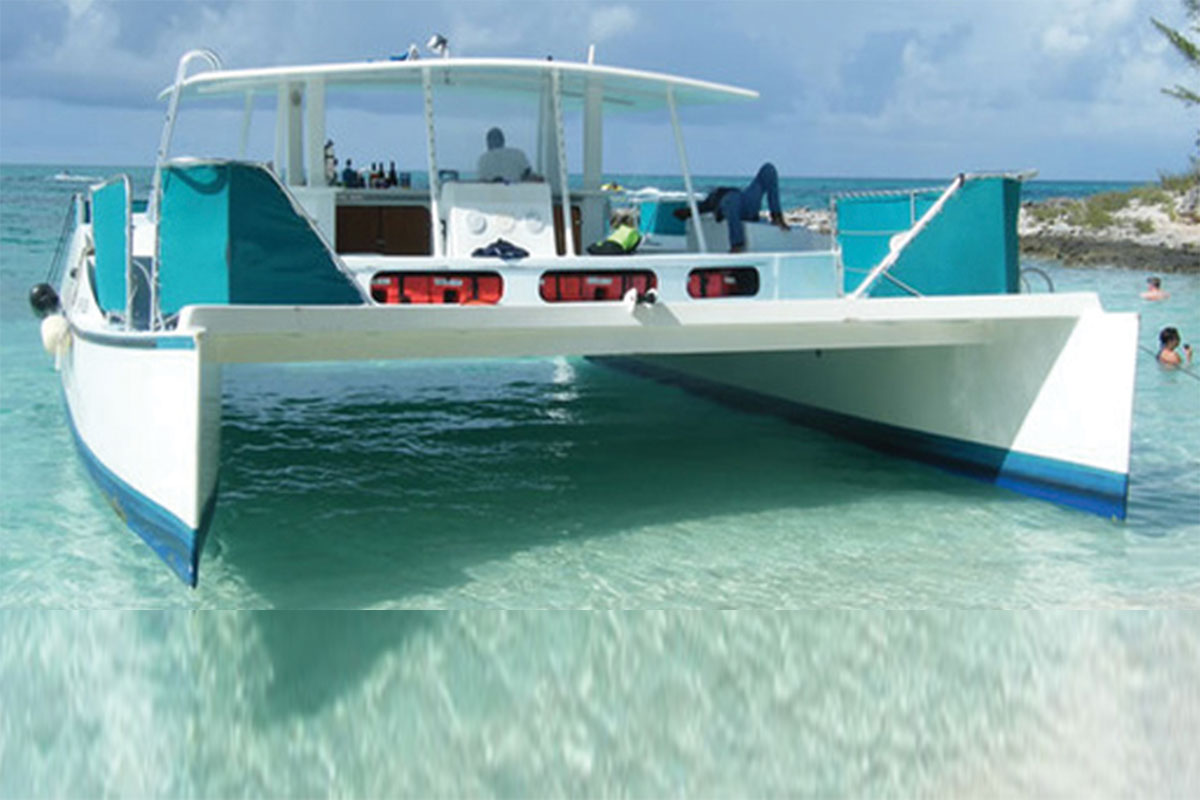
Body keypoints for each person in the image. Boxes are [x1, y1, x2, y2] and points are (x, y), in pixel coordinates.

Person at [673, 162, 790, 253]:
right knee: (732, 201)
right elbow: (701, 208)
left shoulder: (722, 196)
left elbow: (700, 208)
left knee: (768, 169)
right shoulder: (717, 198)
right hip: (735, 204)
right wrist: (687, 212)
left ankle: (776, 216)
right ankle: (737, 243)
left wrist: (688, 212)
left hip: (744, 200)